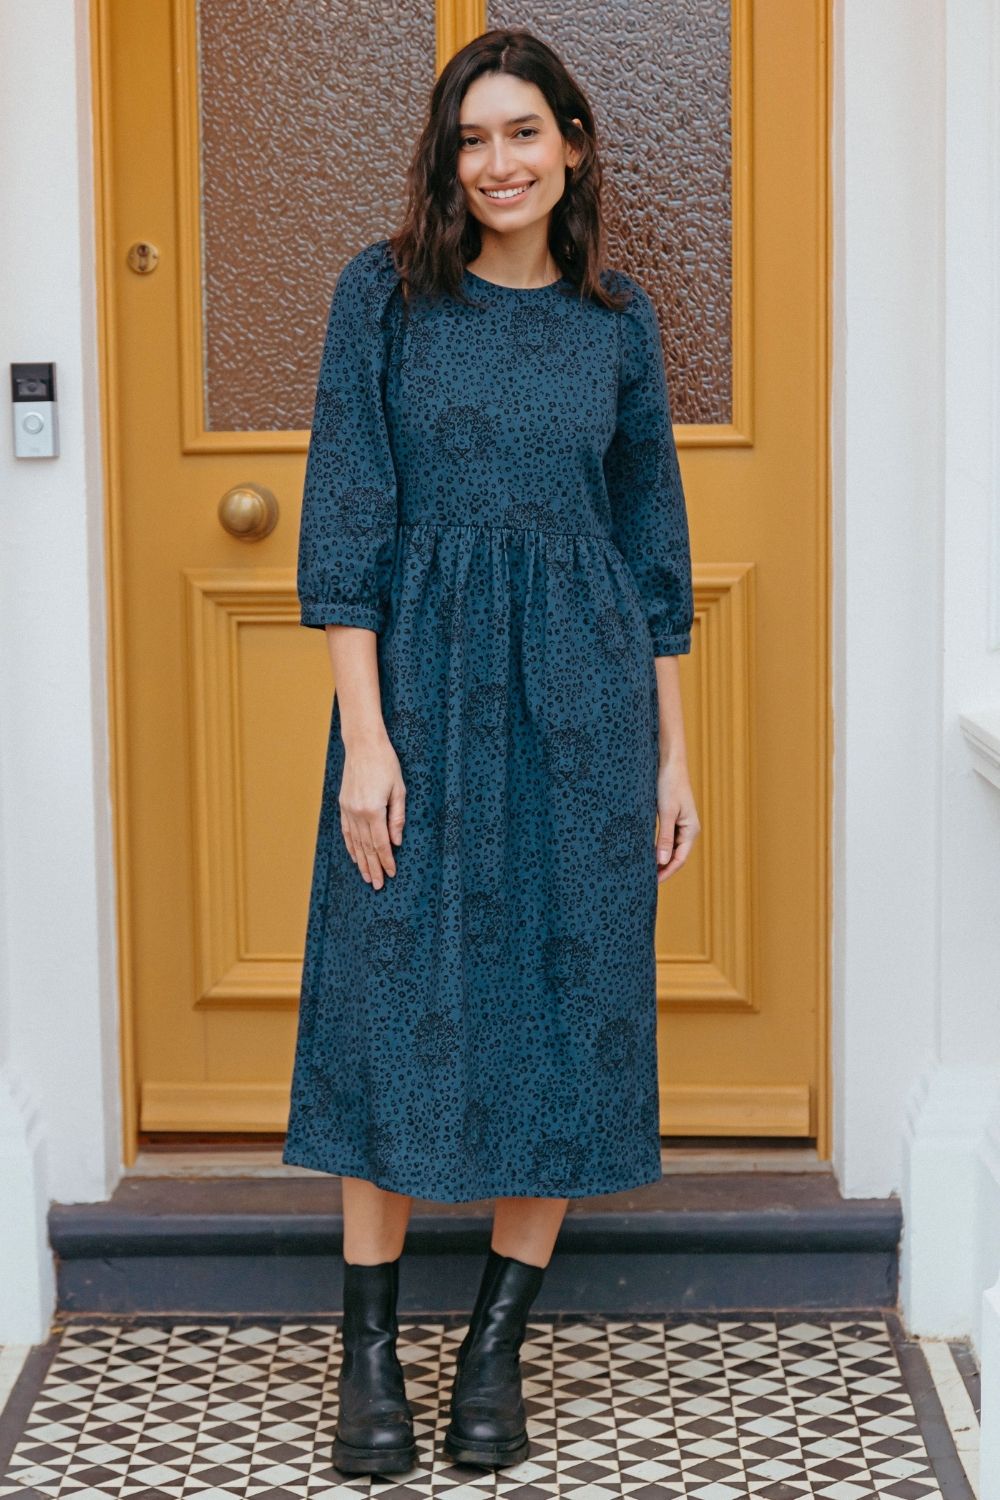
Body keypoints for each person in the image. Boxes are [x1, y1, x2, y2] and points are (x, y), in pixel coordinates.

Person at [281, 26, 701, 1479]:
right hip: (425, 700)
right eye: (472, 138)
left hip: (585, 705)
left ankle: (495, 1348)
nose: (499, 163)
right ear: (447, 160)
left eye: (524, 132)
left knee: (573, 990)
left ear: (573, 145)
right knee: (390, 994)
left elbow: (656, 557)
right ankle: (368, 1355)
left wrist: (671, 758)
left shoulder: (617, 324)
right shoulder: (385, 300)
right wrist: (364, 744)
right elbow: (346, 527)